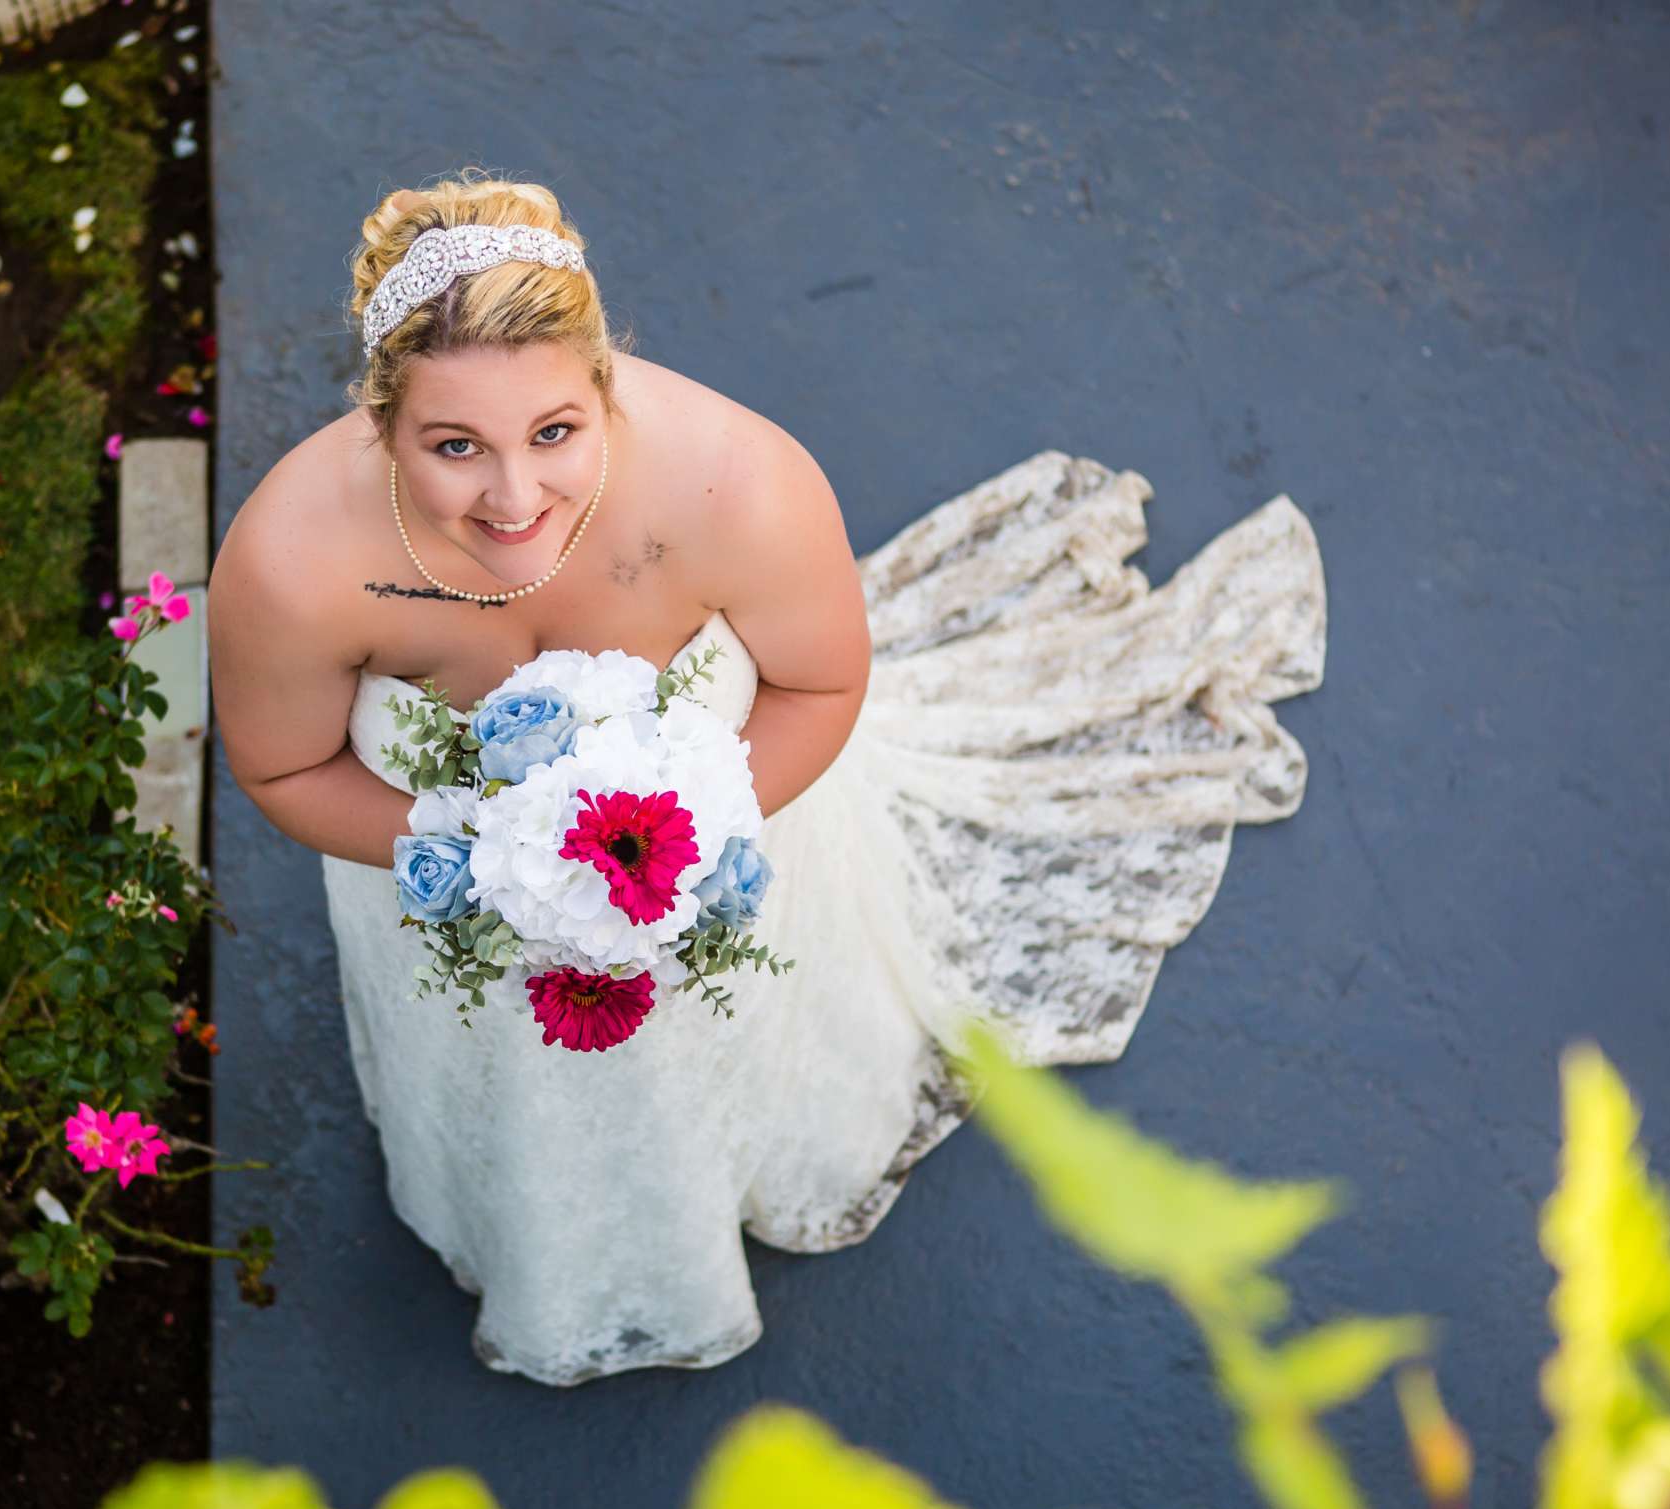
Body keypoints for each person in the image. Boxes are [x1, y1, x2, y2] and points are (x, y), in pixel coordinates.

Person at [207, 170, 1328, 1386]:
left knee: (731, 1053)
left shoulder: (737, 485)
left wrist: (687, 839)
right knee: (500, 1094)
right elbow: (283, 764)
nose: (515, 498)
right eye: (453, 447)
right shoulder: (292, 563)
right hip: (446, 913)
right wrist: (478, 864)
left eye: (555, 433)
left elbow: (823, 688)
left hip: (727, 863)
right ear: (378, 425)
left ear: (604, 389)